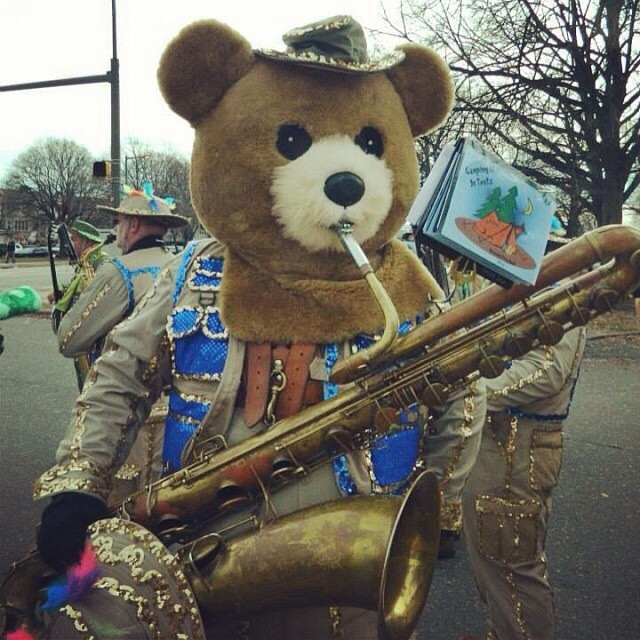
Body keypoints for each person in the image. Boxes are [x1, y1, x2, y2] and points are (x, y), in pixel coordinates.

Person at [54, 186, 189, 501]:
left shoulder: (118, 271)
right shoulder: (183, 267)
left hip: (130, 415)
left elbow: (70, 341)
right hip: (181, 416)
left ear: (135, 225)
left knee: (124, 512)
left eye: (118, 223)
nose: (115, 231)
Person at [458, 325, 586, 640]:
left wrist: (465, 395)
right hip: (501, 440)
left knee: (512, 562)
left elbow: (547, 369)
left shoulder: (556, 280)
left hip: (517, 444)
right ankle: (504, 631)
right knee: (493, 557)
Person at [48, 219, 110, 390]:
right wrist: (61, 294)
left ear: (87, 241)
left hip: (93, 339)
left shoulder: (100, 263)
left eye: (74, 239)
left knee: (92, 384)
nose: (71, 244)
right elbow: (77, 286)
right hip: (82, 336)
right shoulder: (84, 262)